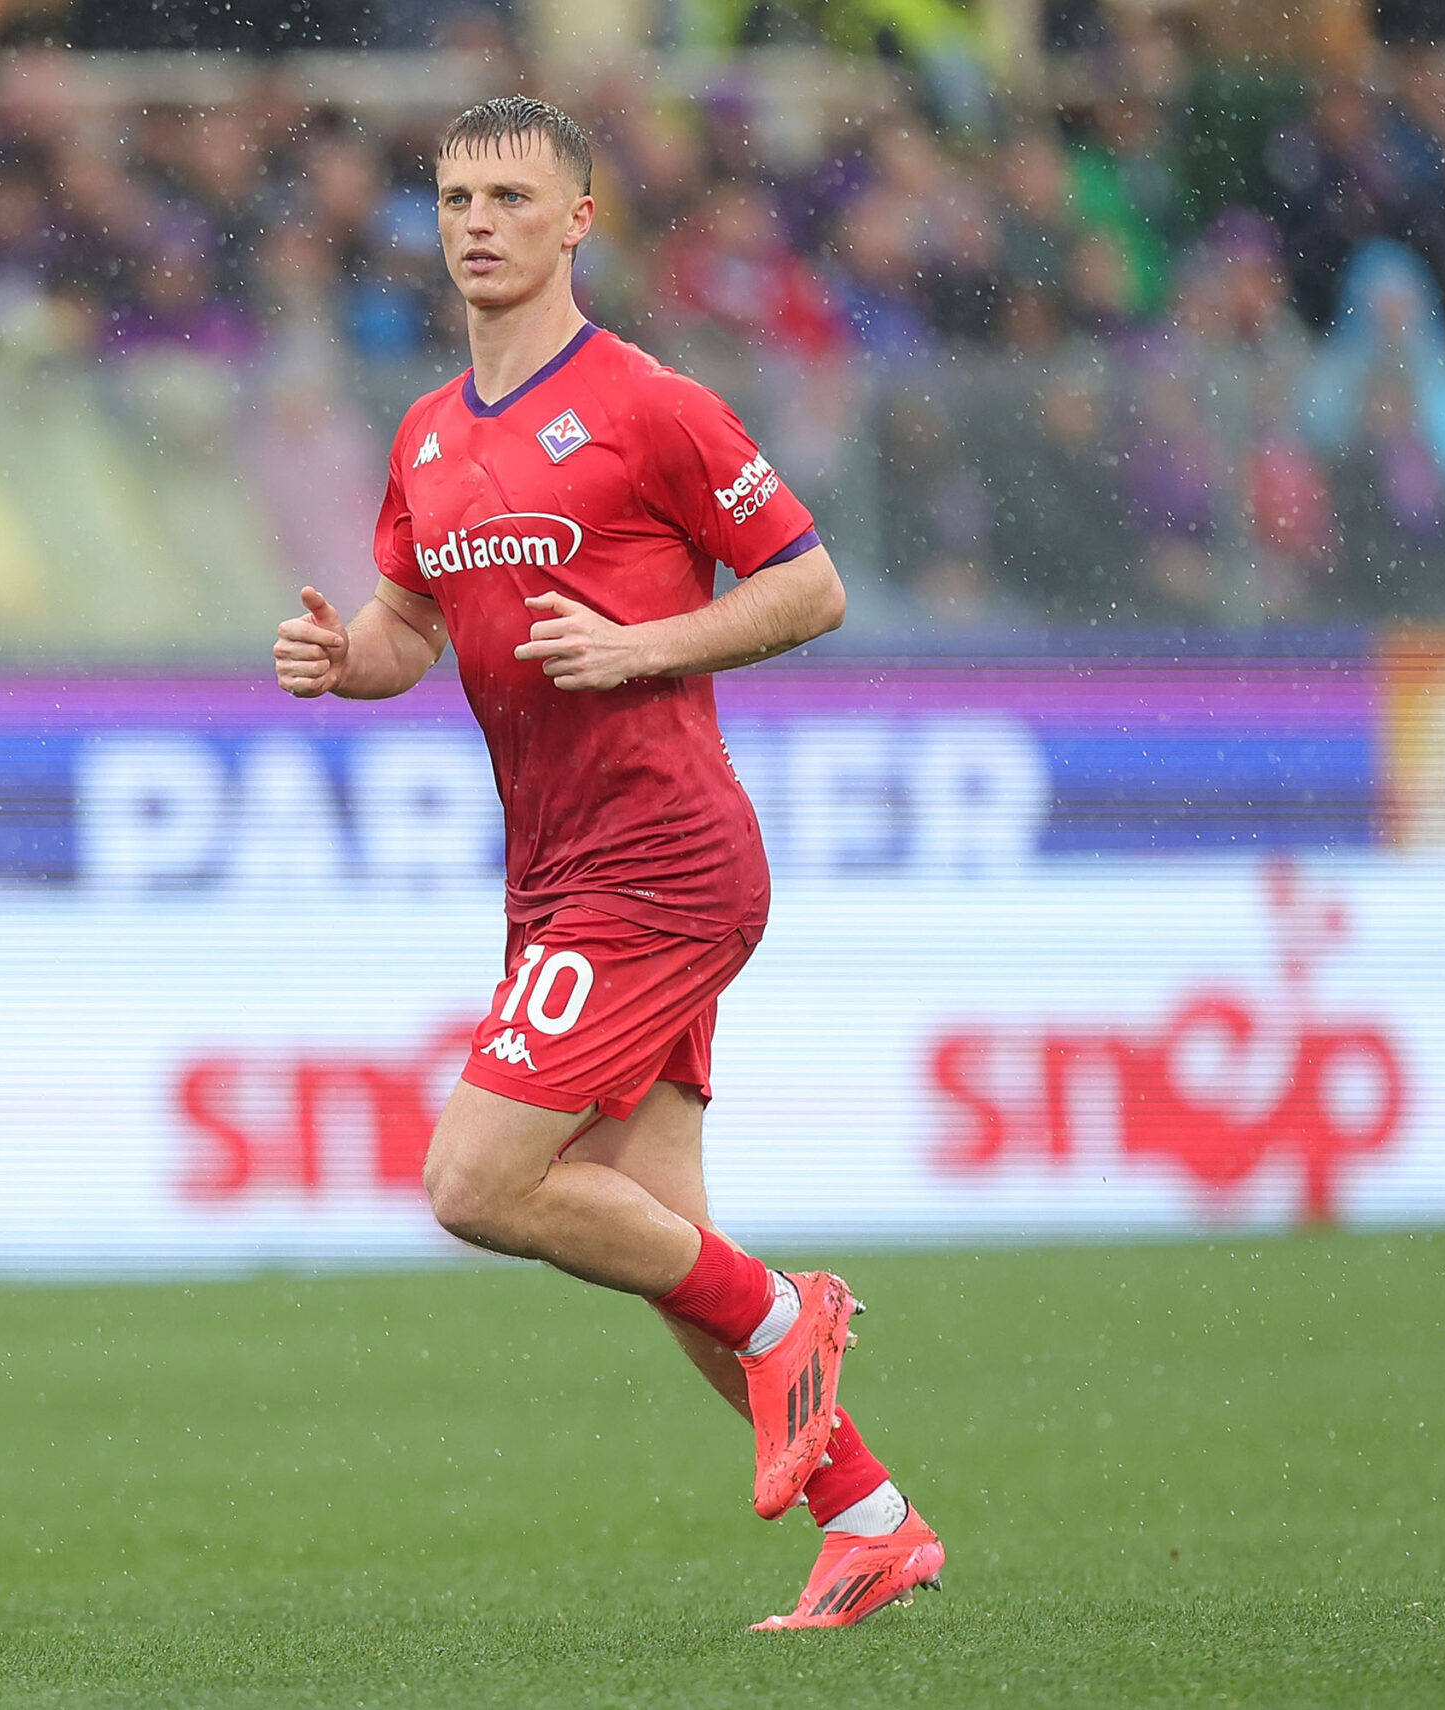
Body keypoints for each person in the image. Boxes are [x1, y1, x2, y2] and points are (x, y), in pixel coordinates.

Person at [270, 95, 944, 1631]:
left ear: (580, 219)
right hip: (561, 873)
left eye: (512, 197)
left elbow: (812, 587)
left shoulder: (650, 404)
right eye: (457, 197)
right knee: (659, 1235)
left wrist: (645, 644)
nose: (478, 222)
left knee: (474, 1179)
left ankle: (786, 1312)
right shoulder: (427, 434)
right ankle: (873, 1520)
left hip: (663, 859)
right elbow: (408, 626)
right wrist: (342, 660)